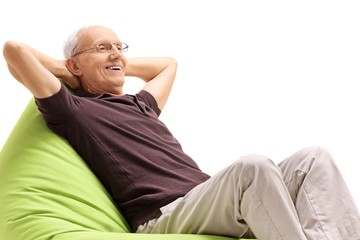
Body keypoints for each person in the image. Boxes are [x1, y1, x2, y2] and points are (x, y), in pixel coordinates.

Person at [3, 25, 360, 240]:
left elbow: (168, 64)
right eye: (103, 46)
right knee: (253, 168)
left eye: (119, 46)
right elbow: (14, 51)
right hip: (162, 216)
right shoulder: (73, 110)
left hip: (203, 198)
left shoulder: (140, 105)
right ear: (74, 63)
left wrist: (113, 63)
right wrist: (71, 71)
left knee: (314, 158)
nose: (116, 52)